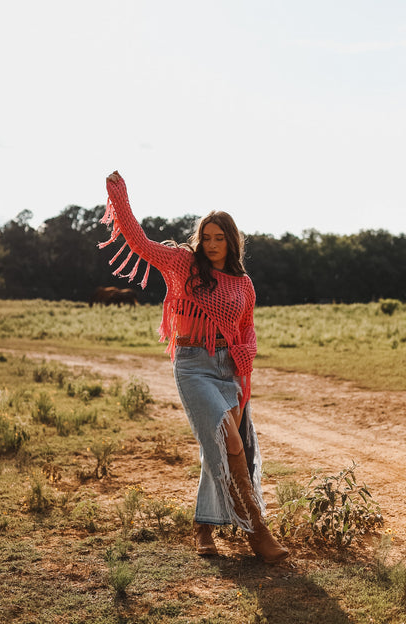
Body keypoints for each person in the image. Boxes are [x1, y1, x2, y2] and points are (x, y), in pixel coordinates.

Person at [100, 170, 289, 564]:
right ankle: (257, 531)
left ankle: (203, 525)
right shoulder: (184, 264)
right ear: (198, 239)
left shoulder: (243, 284)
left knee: (216, 445)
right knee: (230, 442)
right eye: (207, 237)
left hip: (228, 370)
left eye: (220, 238)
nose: (212, 244)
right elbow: (139, 241)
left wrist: (242, 372)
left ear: (232, 241)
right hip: (193, 365)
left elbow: (246, 333)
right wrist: (119, 197)